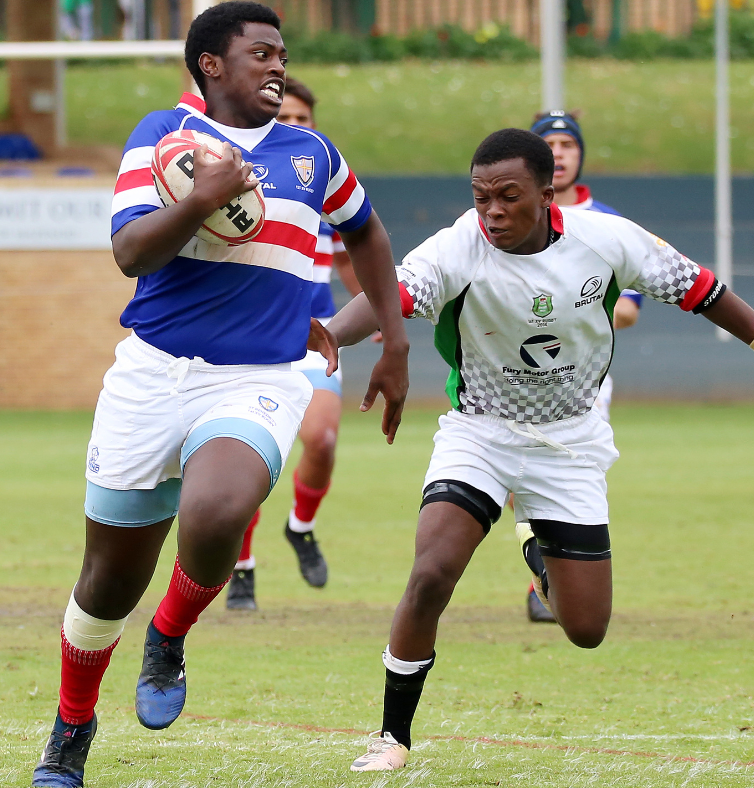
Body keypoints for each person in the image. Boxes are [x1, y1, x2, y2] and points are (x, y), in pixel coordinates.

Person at [30, 4, 409, 786]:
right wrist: (201, 198)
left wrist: (394, 342)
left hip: (259, 376)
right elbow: (130, 251)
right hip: (152, 373)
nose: (277, 66)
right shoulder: (162, 136)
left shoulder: (313, 154)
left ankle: (168, 636)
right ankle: (72, 724)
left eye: (282, 54)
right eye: (260, 53)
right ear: (210, 65)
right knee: (107, 580)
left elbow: (368, 234)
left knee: (216, 509)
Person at [307, 128, 754, 772]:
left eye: (508, 197)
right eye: (481, 196)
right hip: (480, 433)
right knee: (432, 571)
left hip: (570, 443)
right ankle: (392, 736)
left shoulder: (607, 240)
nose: (491, 211)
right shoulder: (460, 244)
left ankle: (533, 545)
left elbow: (702, 291)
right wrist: (331, 334)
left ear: (548, 196)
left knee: (585, 628)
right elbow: (390, 299)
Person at [226, 77, 365, 610]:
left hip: (314, 339)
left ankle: (300, 527)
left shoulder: (323, 193)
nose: (294, 127)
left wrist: (372, 309)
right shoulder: (239, 190)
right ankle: (241, 568)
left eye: (303, 119)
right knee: (249, 459)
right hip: (250, 344)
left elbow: (352, 258)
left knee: (323, 440)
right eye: (284, 118)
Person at [522, 110, 643, 623]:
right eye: (549, 144)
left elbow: (631, 309)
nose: (561, 152)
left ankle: (562, 567)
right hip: (514, 370)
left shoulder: (608, 223)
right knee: (513, 474)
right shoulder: (513, 215)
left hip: (582, 379)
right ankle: (539, 572)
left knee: (571, 473)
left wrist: (568, 303)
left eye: (568, 144)